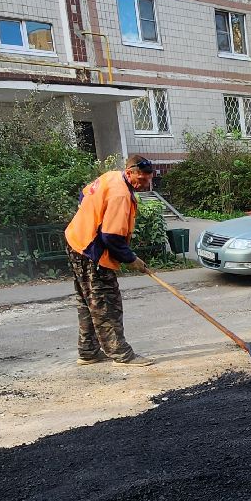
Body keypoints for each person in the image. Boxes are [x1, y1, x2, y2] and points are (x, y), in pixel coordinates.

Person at [64, 154, 155, 366]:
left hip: (76, 242)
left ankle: (88, 351)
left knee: (89, 301)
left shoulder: (111, 176)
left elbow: (83, 195)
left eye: (149, 179)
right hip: (91, 251)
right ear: (130, 172)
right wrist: (132, 259)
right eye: (141, 179)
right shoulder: (121, 195)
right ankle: (121, 354)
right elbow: (111, 237)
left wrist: (89, 219)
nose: (145, 184)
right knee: (106, 303)